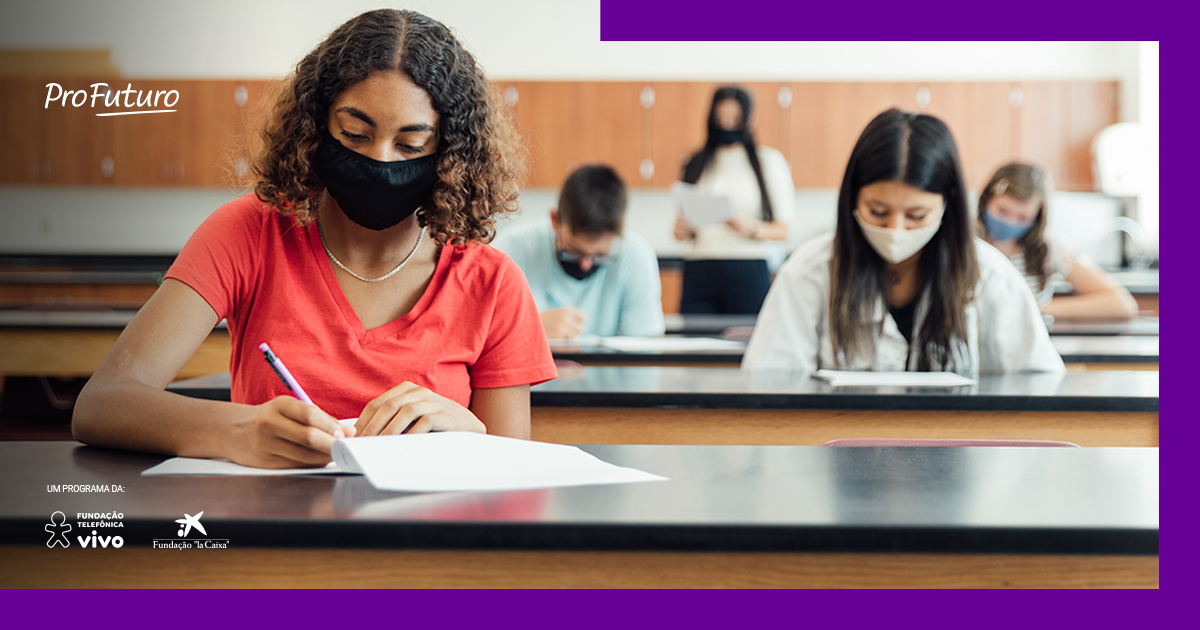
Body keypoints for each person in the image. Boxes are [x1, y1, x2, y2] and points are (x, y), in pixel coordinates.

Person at [72, 9, 557, 468]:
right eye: (354, 134)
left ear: (450, 153)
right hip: (274, 539)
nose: (381, 160)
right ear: (316, 125)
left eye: (411, 145)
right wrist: (238, 429)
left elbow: (513, 470)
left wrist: (467, 429)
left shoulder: (492, 282)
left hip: (427, 544)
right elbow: (102, 404)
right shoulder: (249, 232)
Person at [743, 109, 1064, 376]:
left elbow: (1039, 385)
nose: (895, 230)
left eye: (916, 215)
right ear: (853, 197)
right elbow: (770, 387)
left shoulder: (992, 276)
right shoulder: (809, 272)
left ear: (947, 203)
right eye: (878, 211)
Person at [493, 164, 665, 339]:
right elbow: (479, 330)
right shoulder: (513, 250)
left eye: (600, 255)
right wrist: (531, 325)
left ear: (617, 233)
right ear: (555, 220)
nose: (585, 264)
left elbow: (647, 348)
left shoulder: (635, 257)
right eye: (574, 251)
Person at [672, 86, 796, 314]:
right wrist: (684, 229)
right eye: (721, 118)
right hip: (700, 268)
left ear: (748, 119)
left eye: (735, 119)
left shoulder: (768, 161)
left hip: (747, 269)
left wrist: (748, 227)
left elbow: (783, 230)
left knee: (747, 341)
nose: (727, 125)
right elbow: (677, 230)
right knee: (694, 341)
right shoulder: (694, 162)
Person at [978, 162, 1138, 321]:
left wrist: (1033, 309)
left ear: (1037, 217)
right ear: (986, 201)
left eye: (1023, 217)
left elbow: (1122, 304)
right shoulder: (964, 240)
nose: (1010, 222)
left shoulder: (1050, 247)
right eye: (1002, 211)